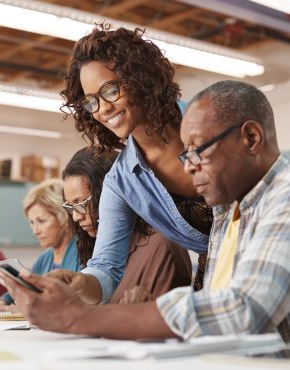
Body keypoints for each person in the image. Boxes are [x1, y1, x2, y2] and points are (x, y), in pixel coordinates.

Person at [1, 80, 290, 350]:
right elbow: (215, 317)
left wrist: (78, 317)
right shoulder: (228, 213)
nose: (188, 168)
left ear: (251, 138)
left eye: (198, 152)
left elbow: (241, 313)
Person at [56, 23, 212, 304]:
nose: (102, 108)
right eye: (91, 102)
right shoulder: (122, 183)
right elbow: (105, 269)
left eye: (110, 90)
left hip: (271, 248)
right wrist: (79, 282)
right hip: (217, 277)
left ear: (140, 77)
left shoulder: (209, 120)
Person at [61, 147, 192, 304]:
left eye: (81, 203)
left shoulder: (161, 246)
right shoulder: (95, 248)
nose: (76, 216)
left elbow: (165, 322)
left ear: (110, 194)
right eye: (70, 207)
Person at [0, 179, 79, 311]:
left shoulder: (83, 252)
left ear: (64, 217)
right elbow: (25, 286)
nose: (35, 231)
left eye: (41, 221)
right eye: (31, 222)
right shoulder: (45, 257)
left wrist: (10, 309)